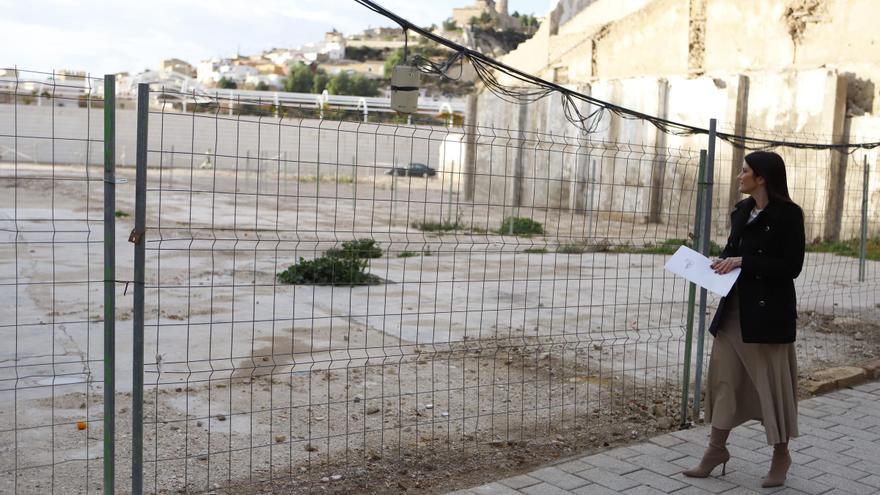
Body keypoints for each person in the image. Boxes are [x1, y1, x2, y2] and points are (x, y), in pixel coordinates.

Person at [682, 150, 805, 488]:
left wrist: (742, 262)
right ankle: (715, 450)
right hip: (734, 311)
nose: (739, 175)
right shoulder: (742, 211)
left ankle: (781, 456)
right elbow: (732, 253)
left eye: (745, 170)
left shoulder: (789, 215)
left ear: (761, 177)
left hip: (767, 317)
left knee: (772, 386)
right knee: (724, 381)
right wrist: (717, 264)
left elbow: (791, 267)